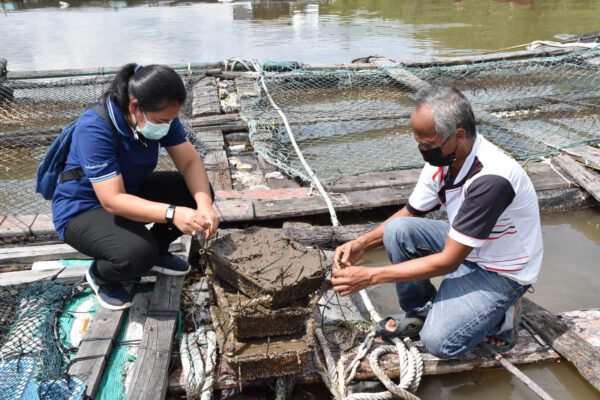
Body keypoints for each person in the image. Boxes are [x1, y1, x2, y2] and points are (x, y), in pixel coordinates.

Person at [332, 85, 543, 358]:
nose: (423, 150)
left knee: (439, 342)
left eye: (428, 145)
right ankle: (422, 312)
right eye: (419, 143)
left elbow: (449, 262)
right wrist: (362, 243)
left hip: (501, 269)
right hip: (469, 247)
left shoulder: (491, 179)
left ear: (458, 135)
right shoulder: (445, 160)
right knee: (397, 230)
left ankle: (503, 314)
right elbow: (410, 213)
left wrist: (371, 276)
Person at [52, 63, 219, 310]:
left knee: (197, 192)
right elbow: (112, 200)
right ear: (134, 106)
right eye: (162, 120)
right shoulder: (94, 127)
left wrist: (204, 205)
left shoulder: (159, 116)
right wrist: (172, 213)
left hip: (128, 190)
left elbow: (190, 161)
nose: (167, 125)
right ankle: (101, 275)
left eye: (171, 119)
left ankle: (158, 252)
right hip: (83, 208)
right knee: (138, 253)